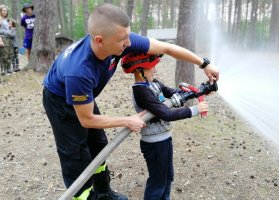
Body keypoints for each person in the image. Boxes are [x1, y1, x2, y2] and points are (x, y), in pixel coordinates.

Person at [42, 4, 219, 200]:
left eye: (128, 36)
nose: (129, 43)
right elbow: (87, 120)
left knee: (98, 144)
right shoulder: (79, 71)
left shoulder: (121, 41)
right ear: (100, 41)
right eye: (122, 40)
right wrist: (127, 120)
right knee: (76, 156)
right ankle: (84, 197)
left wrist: (204, 63)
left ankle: (103, 194)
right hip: (59, 102)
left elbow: (167, 48)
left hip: (83, 96)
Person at [121, 53, 208, 200]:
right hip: (154, 145)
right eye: (151, 67)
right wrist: (194, 110)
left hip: (165, 140)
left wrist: (199, 91)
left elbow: (171, 92)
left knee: (168, 177)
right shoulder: (140, 91)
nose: (155, 70)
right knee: (157, 182)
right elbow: (165, 113)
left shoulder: (153, 82)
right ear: (140, 70)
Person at [0, 5, 14, 76]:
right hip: (3, 38)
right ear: (0, 11)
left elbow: (9, 29)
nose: (5, 12)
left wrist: (10, 27)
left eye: (6, 11)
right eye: (3, 10)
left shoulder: (7, 19)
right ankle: (3, 70)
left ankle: (9, 69)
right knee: (4, 54)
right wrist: (0, 41)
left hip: (9, 38)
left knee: (10, 54)